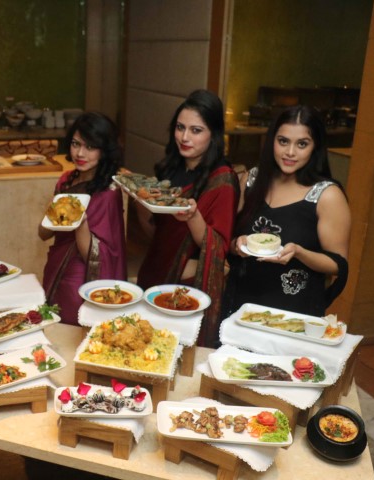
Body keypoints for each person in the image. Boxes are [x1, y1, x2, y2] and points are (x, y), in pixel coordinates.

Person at [223, 105, 350, 317]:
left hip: (292, 312)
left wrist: (299, 253)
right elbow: (226, 241)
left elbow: (337, 264)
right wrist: (237, 245)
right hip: (240, 305)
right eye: (283, 141)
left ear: (315, 147)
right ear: (272, 141)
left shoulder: (327, 195)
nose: (290, 152)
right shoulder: (252, 180)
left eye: (302, 144)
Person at [135, 90, 239, 347]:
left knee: (174, 350)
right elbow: (155, 233)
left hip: (185, 288)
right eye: (180, 127)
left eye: (196, 130)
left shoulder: (222, 180)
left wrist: (193, 216)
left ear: (213, 134)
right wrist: (139, 202)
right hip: (155, 271)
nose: (184, 137)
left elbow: (217, 246)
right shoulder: (171, 169)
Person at [39, 112, 127, 324]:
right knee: (53, 325)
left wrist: (81, 222)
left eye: (90, 147)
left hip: (82, 276)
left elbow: (98, 256)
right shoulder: (66, 181)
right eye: (75, 144)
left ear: (104, 150)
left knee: (75, 327)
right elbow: (43, 233)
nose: (80, 153)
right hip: (56, 266)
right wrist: (57, 212)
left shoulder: (108, 192)